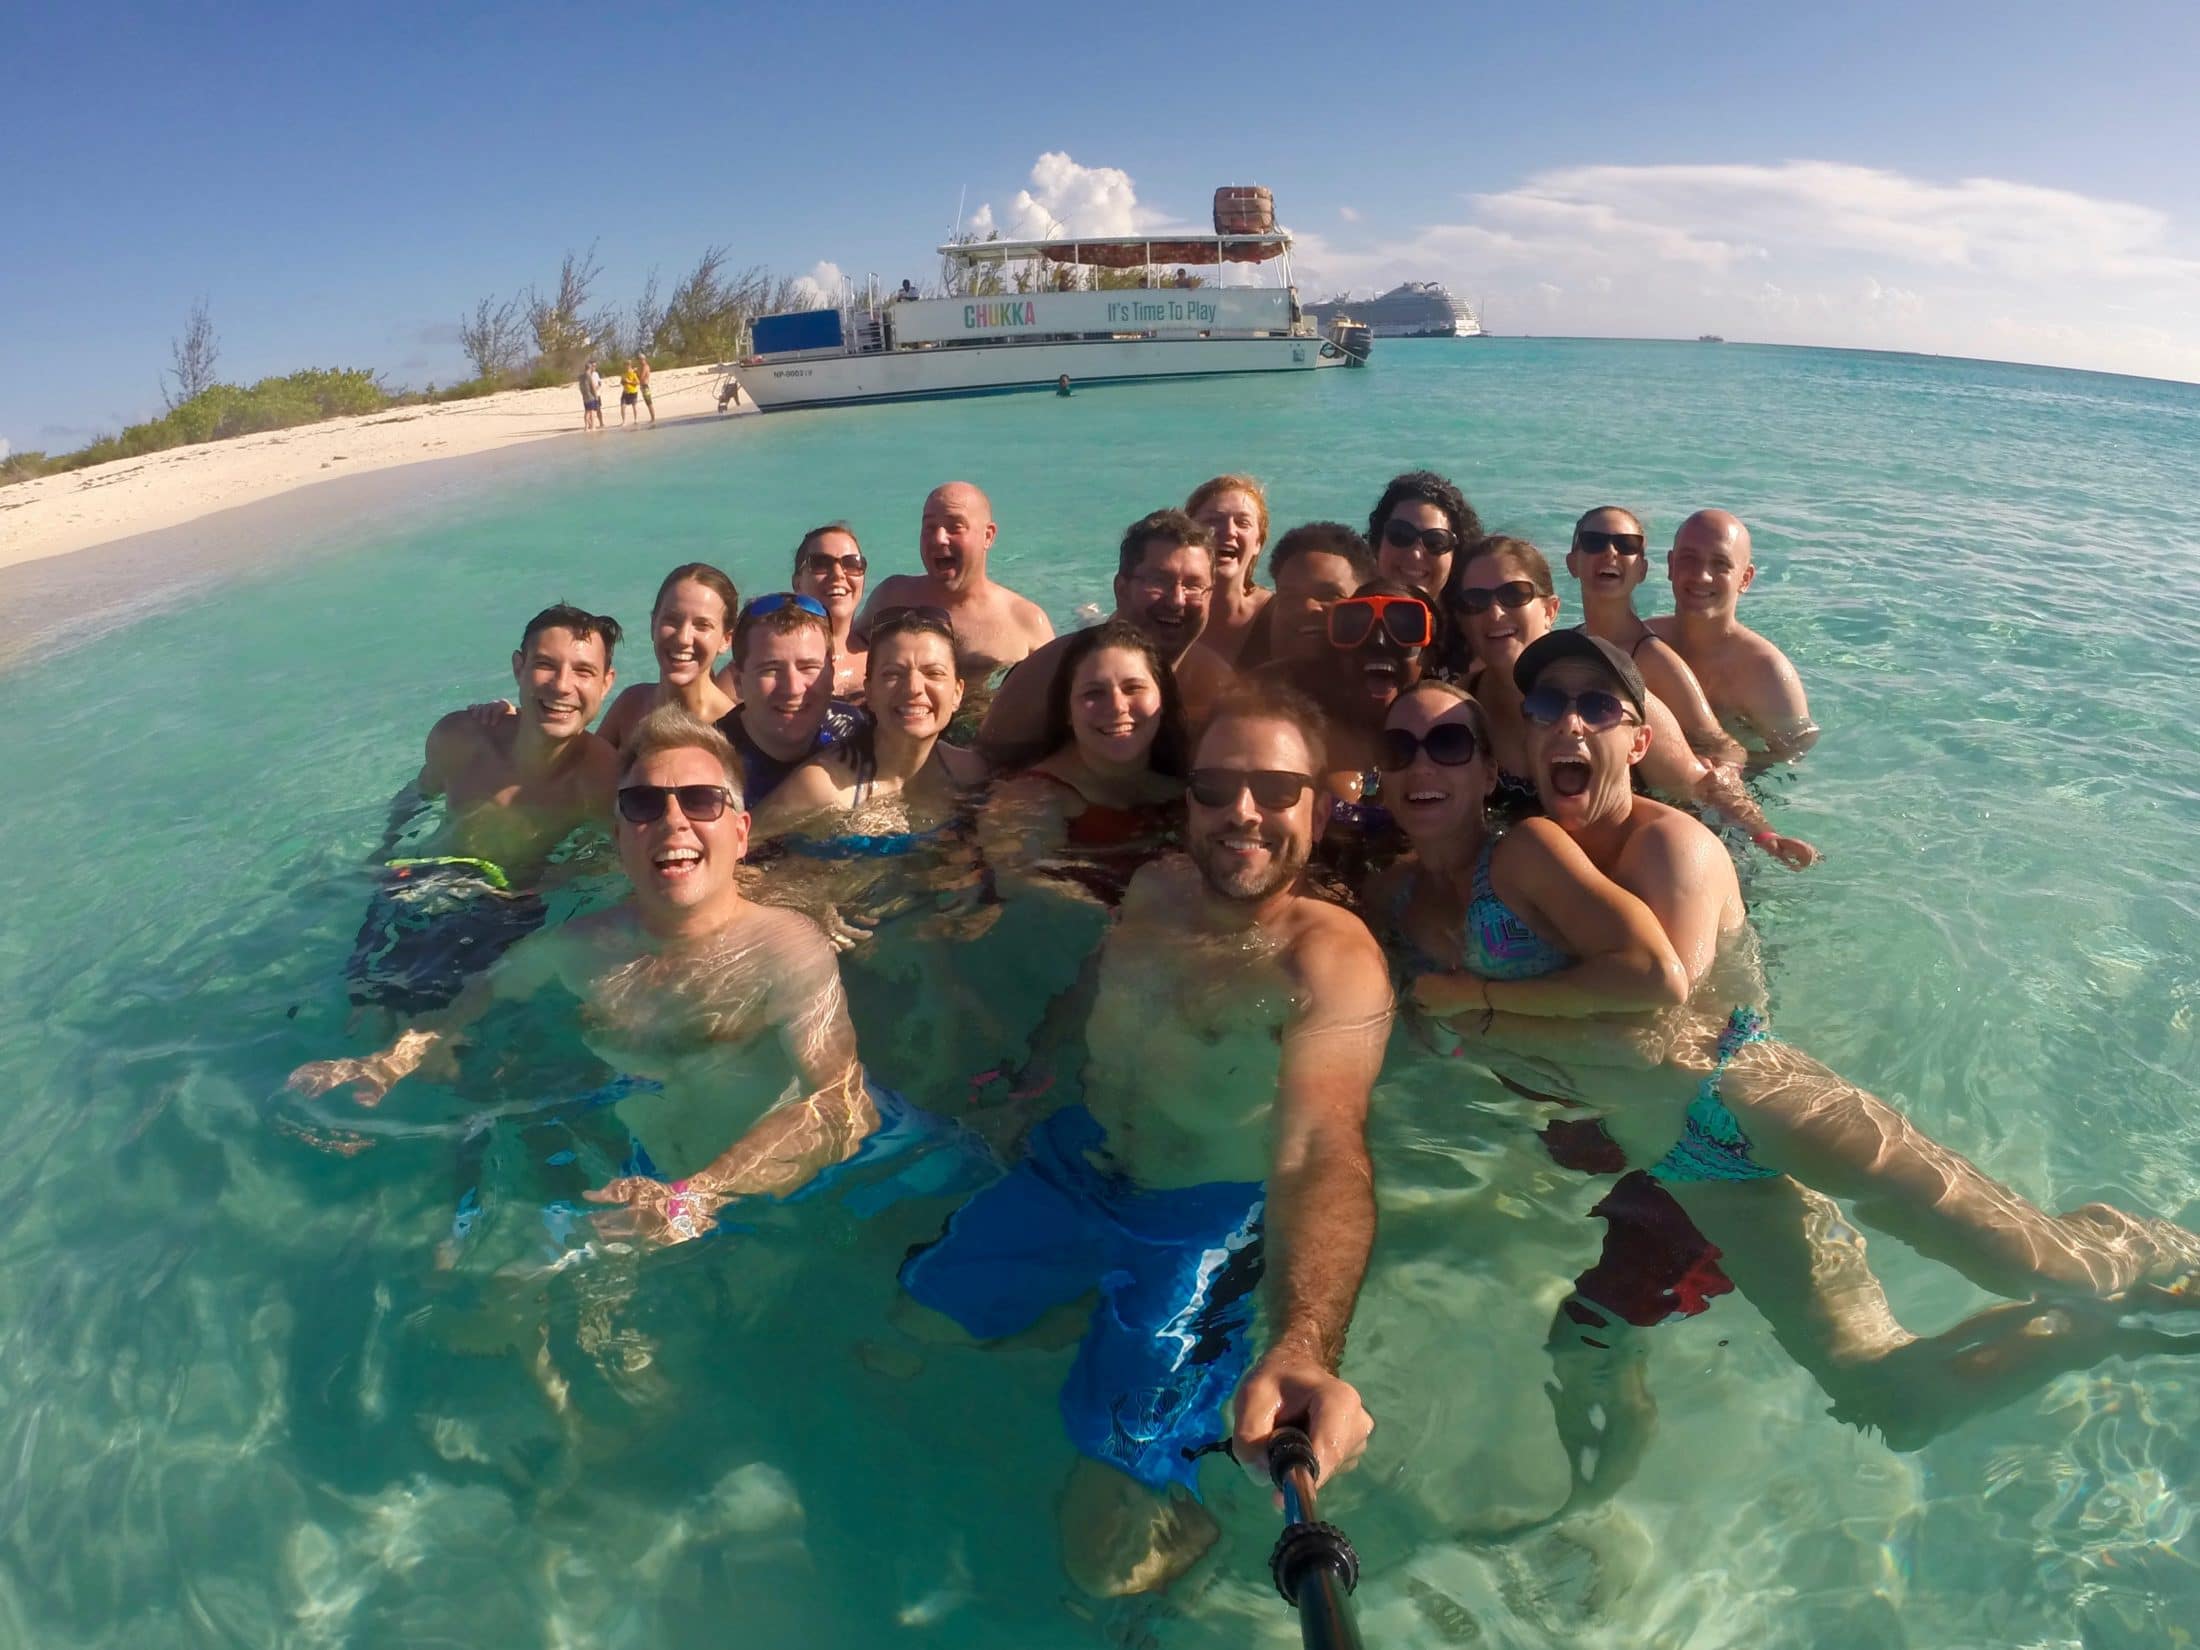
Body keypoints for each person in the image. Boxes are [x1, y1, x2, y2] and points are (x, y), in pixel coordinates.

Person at [1431, 633, 2200, 1467]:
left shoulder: (1673, 847)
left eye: (1597, 707)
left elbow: (1657, 1026)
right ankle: (2102, 1337)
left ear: (1640, 739)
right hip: (1685, 1158)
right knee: (1887, 1401)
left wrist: (1483, 1015)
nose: (1568, 724)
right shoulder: (1537, 860)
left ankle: (2148, 1246)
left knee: (2055, 1269)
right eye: (1547, 706)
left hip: (1760, 1097)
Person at [901, 685, 1389, 1595]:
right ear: (1189, 800)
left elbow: (1323, 1150)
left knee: (1103, 1564)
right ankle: (1083, 1326)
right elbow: (1094, 989)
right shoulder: (1158, 886)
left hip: (1197, 1224)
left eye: (1278, 788)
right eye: (1217, 787)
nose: (1243, 811)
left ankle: (1182, 1519)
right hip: (1076, 1166)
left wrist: (1302, 1349)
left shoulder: (1331, 959)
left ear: (1319, 809)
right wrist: (1028, 1085)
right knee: (907, 1340)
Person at [296, 706, 880, 1227]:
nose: (674, 821)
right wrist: (388, 1062)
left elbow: (842, 1108)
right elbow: (481, 997)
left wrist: (698, 1196)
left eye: (702, 800)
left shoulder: (787, 949)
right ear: (621, 835)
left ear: (741, 830)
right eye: (644, 804)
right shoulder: (579, 946)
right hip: (638, 1182)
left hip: (770, 1197)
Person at [1445, 534, 1818, 865]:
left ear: (1550, 610)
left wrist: (1764, 835)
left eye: (1513, 595)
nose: (1494, 613)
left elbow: (1701, 783)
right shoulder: (1458, 709)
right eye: (1475, 601)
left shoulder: (1613, 699)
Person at [346, 603, 623, 1014]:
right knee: (364, 1005)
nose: (563, 686)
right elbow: (418, 794)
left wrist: (543, 886)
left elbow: (615, 856)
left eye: (583, 671)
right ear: (518, 668)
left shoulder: (599, 776)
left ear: (606, 683)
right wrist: (383, 851)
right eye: (546, 665)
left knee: (441, 1031)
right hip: (417, 881)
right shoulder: (461, 736)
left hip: (508, 910)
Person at [977, 508, 1229, 768]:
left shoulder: (1217, 686)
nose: (1177, 600)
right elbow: (983, 769)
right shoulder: (1046, 676)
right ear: (1121, 588)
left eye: (1193, 586)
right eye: (1158, 581)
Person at [978, 618, 1187, 906]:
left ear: (1162, 700)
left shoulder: (1183, 786)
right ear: (1068, 711)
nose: (1116, 706)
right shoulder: (1032, 797)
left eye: (1133, 688)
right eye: (1093, 693)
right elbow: (1017, 882)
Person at [749, 607, 988, 847]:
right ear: (870, 692)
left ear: (957, 693)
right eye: (893, 674)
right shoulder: (824, 787)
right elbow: (740, 848)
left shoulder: (971, 773)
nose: (914, 687)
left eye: (934, 673)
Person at [1565, 506, 1742, 769]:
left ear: (1642, 570)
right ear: (1572, 563)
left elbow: (1728, 751)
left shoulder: (1656, 661)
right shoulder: (1567, 644)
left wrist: (1716, 780)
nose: (1610, 552)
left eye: (1627, 545)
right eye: (1594, 541)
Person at [1646, 509, 1820, 767]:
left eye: (1720, 564)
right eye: (1689, 559)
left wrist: (1727, 768)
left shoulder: (1767, 672)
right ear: (1671, 565)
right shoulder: (1642, 642)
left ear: (1745, 578)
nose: (1701, 575)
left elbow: (1792, 756)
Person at [856, 482, 1055, 686]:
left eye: (955, 527)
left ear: (988, 536)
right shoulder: (891, 598)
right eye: (929, 527)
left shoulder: (1024, 621)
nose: (939, 538)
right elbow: (846, 651)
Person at [715, 594, 866, 809]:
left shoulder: (855, 731)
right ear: (739, 682)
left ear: (831, 672)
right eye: (771, 669)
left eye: (808, 667)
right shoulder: (711, 763)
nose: (793, 688)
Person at [597, 564, 740, 747]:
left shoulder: (732, 731)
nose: (683, 638)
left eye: (702, 625)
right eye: (671, 620)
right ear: (653, 625)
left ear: (726, 640)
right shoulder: (631, 705)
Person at [1236, 520, 1377, 673]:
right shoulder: (1239, 693)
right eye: (1290, 597)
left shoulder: (1397, 693)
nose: (1308, 606)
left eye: (1329, 595)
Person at [1187, 473, 1271, 667]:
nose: (1229, 531)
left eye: (1243, 523)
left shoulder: (1276, 616)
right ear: (1188, 534)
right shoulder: (1165, 612)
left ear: (1258, 543)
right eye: (1213, 521)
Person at [1369, 470, 1481, 612]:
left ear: (1455, 557)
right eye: (1400, 534)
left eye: (1435, 542)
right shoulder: (1347, 623)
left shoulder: (1477, 628)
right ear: (1377, 543)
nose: (1415, 553)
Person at [790, 523, 870, 701]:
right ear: (797, 583)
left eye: (852, 563)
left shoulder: (881, 659)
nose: (838, 574)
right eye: (820, 563)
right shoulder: (771, 657)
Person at [577, 360, 604, 431]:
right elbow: (593, 387)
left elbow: (581, 387)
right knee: (592, 411)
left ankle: (587, 427)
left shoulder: (582, 376)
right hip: (591, 396)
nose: (594, 367)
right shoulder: (588, 375)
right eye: (593, 366)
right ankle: (593, 426)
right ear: (590, 367)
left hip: (585, 396)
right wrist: (595, 396)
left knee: (587, 411)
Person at [634, 353, 656, 425]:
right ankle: (652, 418)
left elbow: (641, 377)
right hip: (643, 386)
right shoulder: (643, 366)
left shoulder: (645, 367)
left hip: (645, 386)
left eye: (639, 359)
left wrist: (636, 372)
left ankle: (653, 418)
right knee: (648, 403)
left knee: (649, 402)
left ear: (642, 359)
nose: (639, 361)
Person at [619, 360, 641, 427]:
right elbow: (621, 382)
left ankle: (636, 420)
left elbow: (637, 382)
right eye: (626, 365)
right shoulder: (623, 374)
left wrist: (629, 381)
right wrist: (623, 382)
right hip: (625, 392)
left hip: (633, 392)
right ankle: (624, 421)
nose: (627, 366)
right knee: (622, 406)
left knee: (634, 406)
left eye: (628, 365)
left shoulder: (633, 373)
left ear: (630, 365)